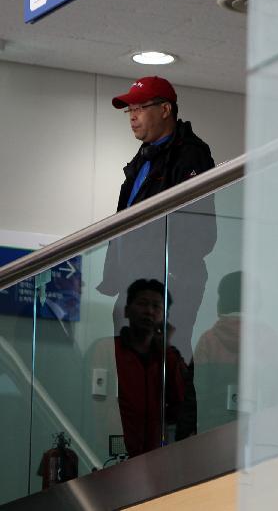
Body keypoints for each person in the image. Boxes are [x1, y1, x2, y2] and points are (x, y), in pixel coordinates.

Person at [98, 76, 217, 358]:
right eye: (129, 110)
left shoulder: (190, 156)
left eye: (140, 107)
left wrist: (166, 275)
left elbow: (198, 232)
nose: (132, 116)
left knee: (166, 372)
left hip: (163, 287)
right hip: (134, 284)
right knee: (133, 375)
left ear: (165, 110)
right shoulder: (144, 158)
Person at [113, 279, 196, 457]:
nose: (149, 311)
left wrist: (165, 348)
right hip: (113, 451)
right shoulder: (109, 350)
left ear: (165, 316)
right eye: (142, 304)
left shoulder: (169, 356)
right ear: (127, 310)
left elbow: (180, 404)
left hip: (154, 454)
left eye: (157, 306)